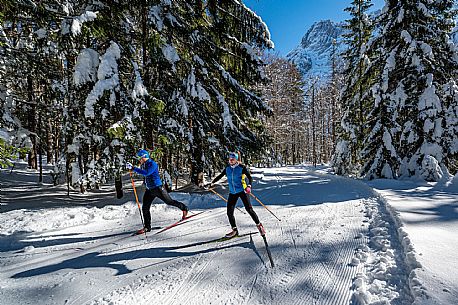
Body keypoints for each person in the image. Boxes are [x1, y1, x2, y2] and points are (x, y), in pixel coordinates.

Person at [127, 149, 189, 234]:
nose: (139, 160)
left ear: (144, 157)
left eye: (140, 158)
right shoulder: (144, 164)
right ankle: (147, 227)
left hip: (157, 188)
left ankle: (184, 208)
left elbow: (146, 173)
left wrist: (133, 168)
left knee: (169, 201)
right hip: (149, 190)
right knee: (145, 207)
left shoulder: (152, 164)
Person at [208, 152, 266, 238]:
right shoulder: (227, 168)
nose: (231, 160)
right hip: (233, 192)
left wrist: (249, 186)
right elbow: (220, 176)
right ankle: (234, 230)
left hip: (242, 191)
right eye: (230, 159)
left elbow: (249, 178)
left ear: (236, 159)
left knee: (249, 209)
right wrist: (211, 183)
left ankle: (259, 225)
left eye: (233, 159)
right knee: (229, 212)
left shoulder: (241, 168)